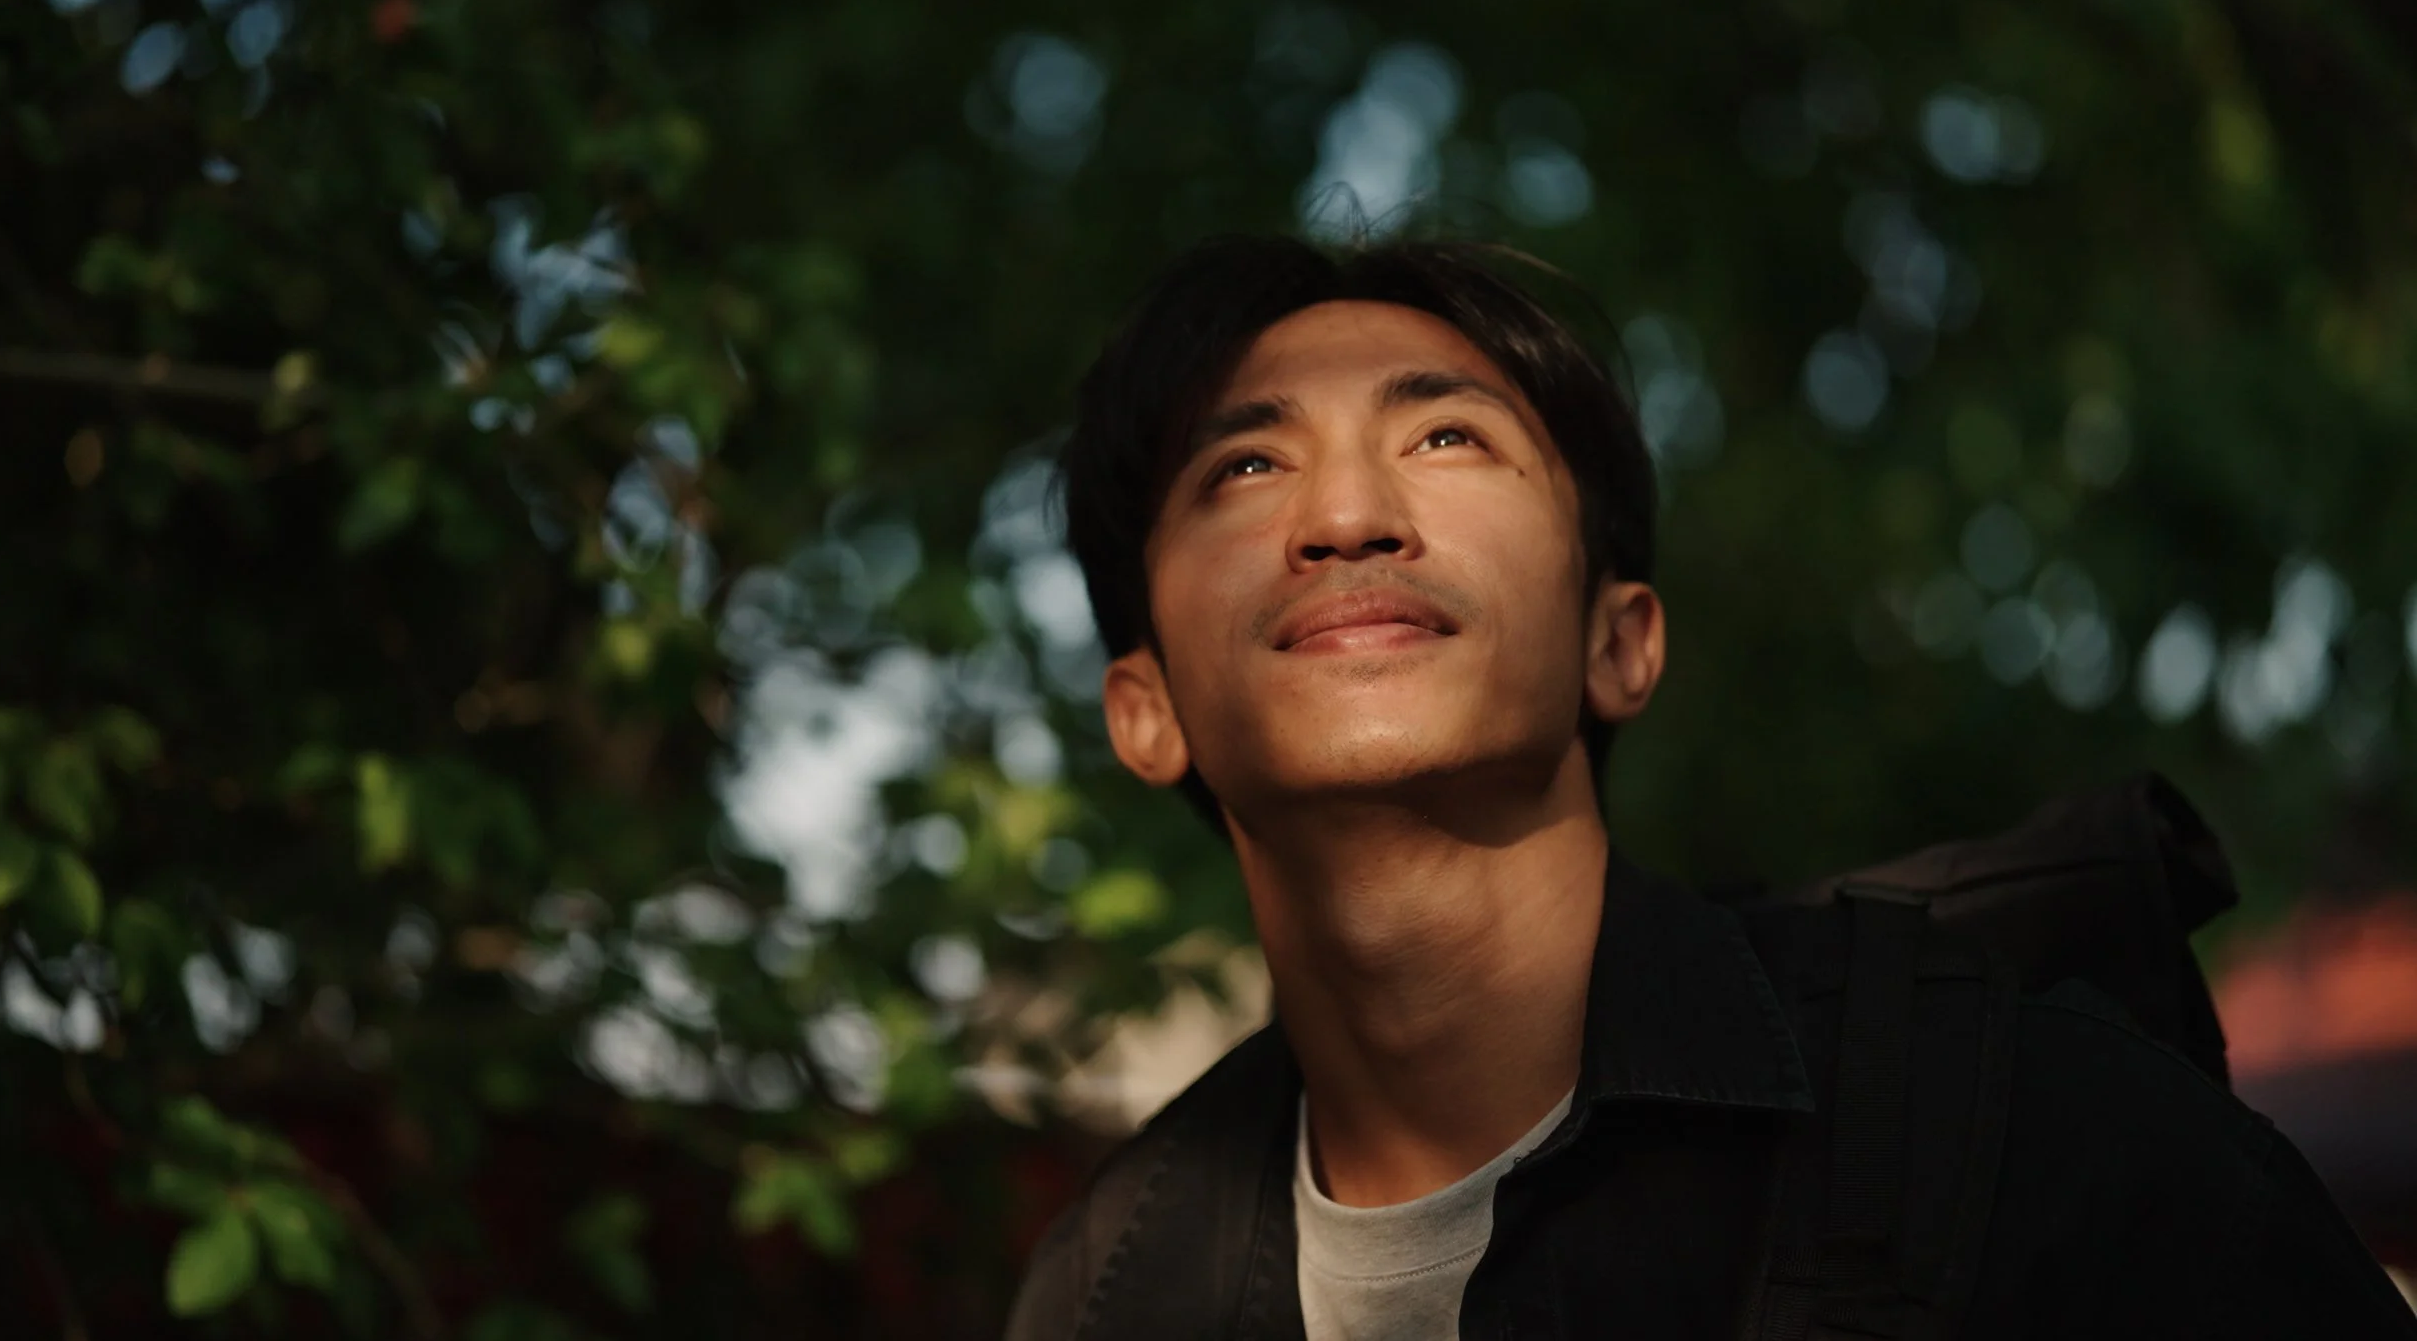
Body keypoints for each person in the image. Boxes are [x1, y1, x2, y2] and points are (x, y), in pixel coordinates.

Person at [1000, 234, 2417, 1340]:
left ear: (1623, 640)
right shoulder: (1107, 1290)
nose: (1350, 515)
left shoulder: (2030, 1136)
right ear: (1147, 708)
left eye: (1448, 437)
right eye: (1247, 464)